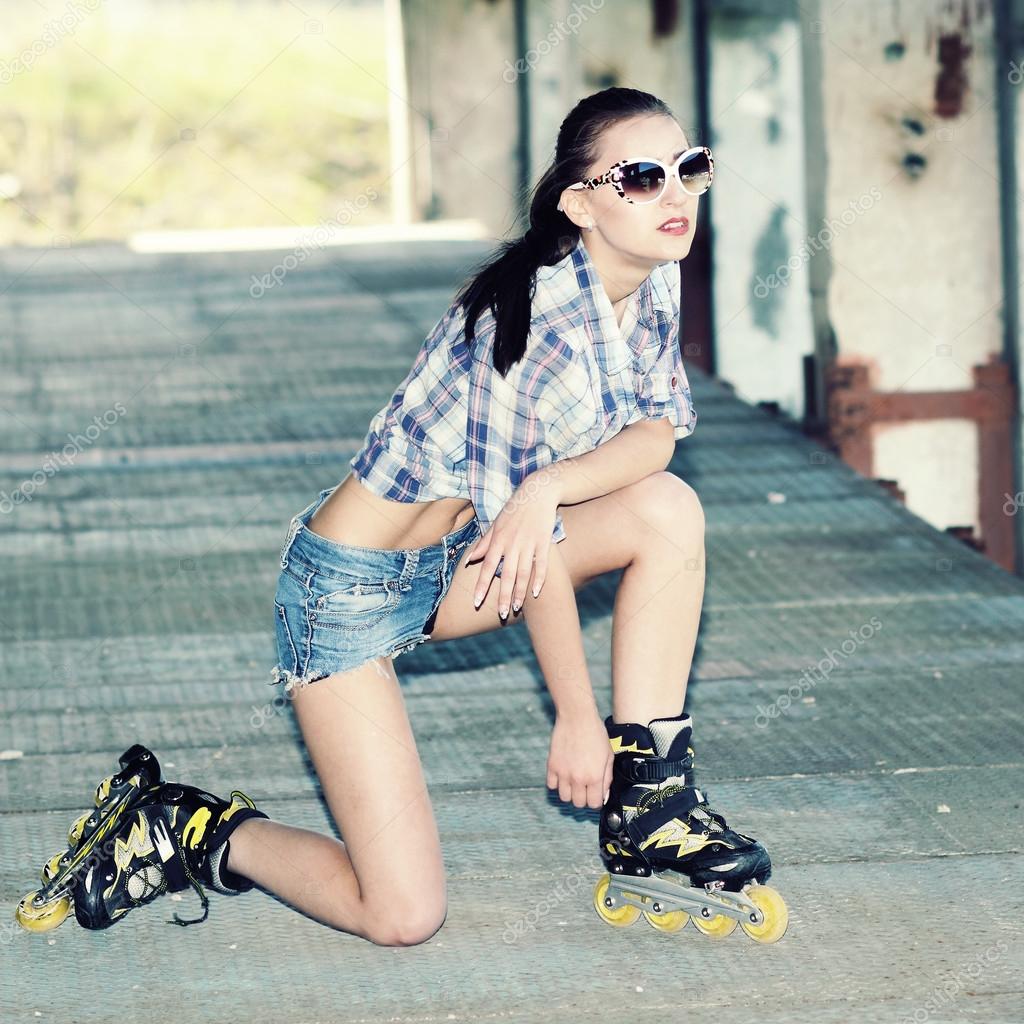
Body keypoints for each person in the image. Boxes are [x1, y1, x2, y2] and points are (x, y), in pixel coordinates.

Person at [31, 86, 775, 947]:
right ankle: (183, 827)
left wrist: (547, 489)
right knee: (401, 914)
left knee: (666, 509)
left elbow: (656, 432)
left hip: (457, 567)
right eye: (643, 177)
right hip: (345, 595)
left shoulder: (651, 276)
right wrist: (577, 717)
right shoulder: (530, 322)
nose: (676, 195)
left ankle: (652, 805)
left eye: (689, 167)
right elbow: (528, 563)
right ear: (580, 205)